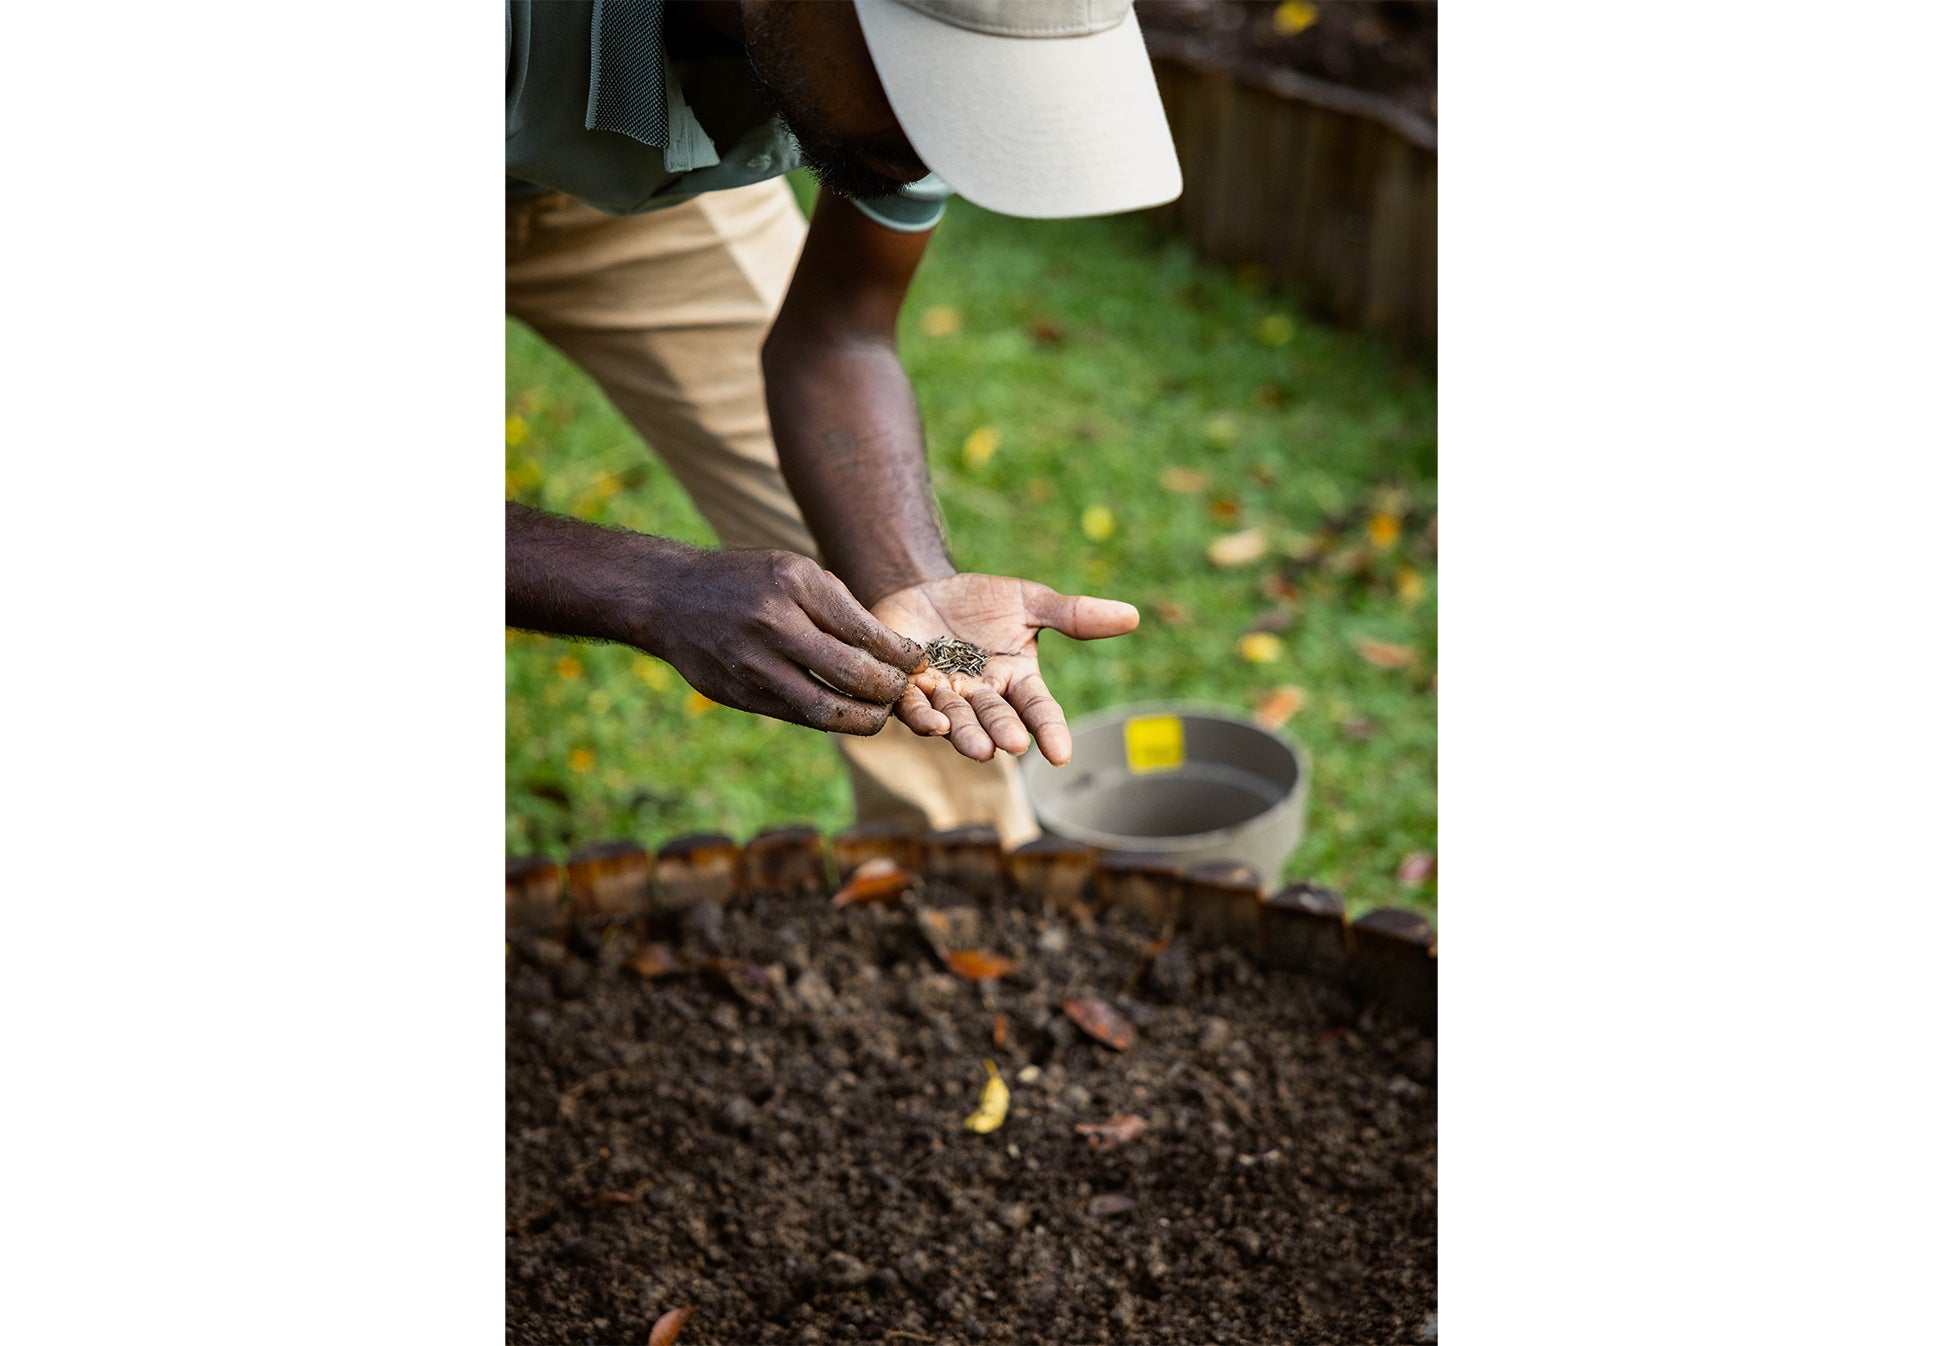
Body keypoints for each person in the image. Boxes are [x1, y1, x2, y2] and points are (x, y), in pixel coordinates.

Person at [506, 0, 1181, 845]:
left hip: (629, 196)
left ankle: (949, 887)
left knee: (857, 608)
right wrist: (652, 590)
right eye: (929, 72)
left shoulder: (908, 94)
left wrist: (916, 593)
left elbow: (840, 337)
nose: (951, 133)